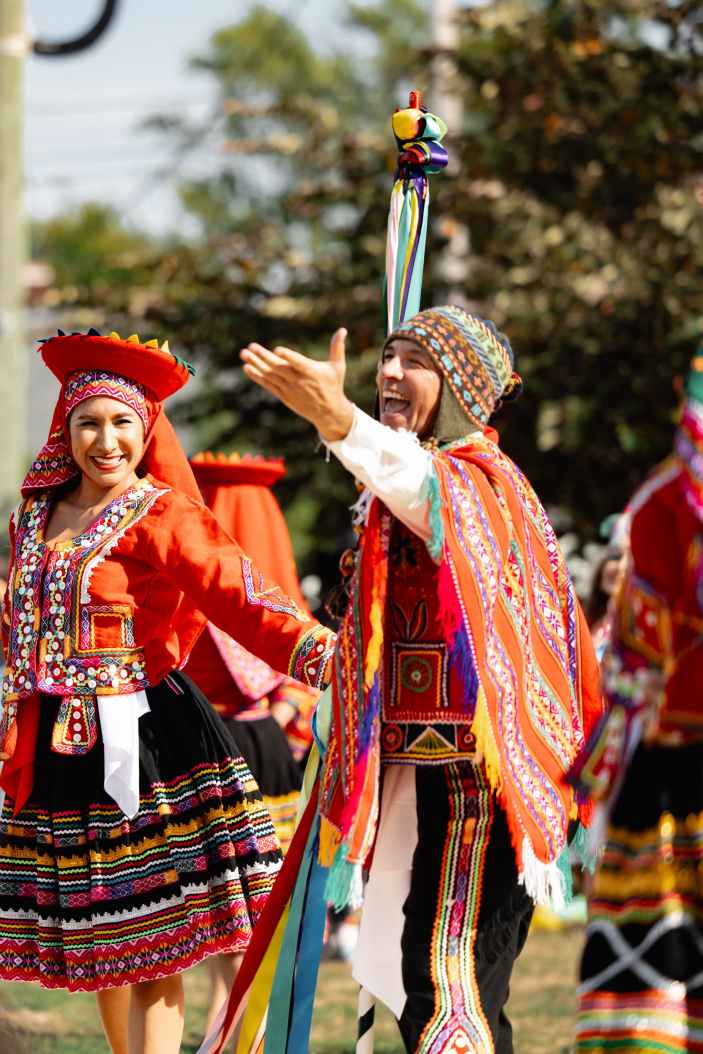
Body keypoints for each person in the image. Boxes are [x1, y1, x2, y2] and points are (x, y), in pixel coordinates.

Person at [240, 306, 602, 1053]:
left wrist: (340, 421)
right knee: (427, 988)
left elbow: (419, 485)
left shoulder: (477, 484)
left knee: (447, 993)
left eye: (414, 361)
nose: (388, 373)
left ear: (463, 388)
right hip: (418, 773)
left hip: (474, 785)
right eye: (388, 356)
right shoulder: (420, 483)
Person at [0, 331, 334, 1054]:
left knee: (154, 946)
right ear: (66, 426)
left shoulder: (159, 512)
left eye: (122, 423)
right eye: (89, 422)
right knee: (101, 948)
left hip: (145, 744)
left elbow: (238, 595)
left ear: (146, 428)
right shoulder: (33, 519)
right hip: (60, 750)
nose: (106, 440)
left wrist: (325, 656)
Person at [571, 350, 703, 1053]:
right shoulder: (655, 510)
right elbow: (630, 676)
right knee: (652, 1002)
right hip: (669, 784)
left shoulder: (657, 503)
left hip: (665, 783)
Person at [186, 450, 319, 1032]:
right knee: (252, 912)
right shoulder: (277, 593)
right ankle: (237, 1030)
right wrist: (284, 709)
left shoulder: (185, 581)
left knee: (226, 917)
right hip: (257, 742)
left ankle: (231, 1027)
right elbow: (306, 678)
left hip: (196, 746)